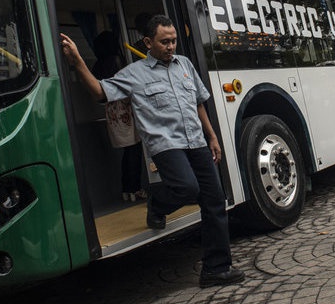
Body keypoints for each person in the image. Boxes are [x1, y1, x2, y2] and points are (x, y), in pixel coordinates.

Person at [60, 15, 244, 287]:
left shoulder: (186, 65)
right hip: (166, 144)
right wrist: (77, 62)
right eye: (164, 41)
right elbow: (100, 91)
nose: (171, 46)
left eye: (174, 41)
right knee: (187, 189)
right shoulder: (135, 74)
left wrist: (212, 136)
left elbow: (198, 103)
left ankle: (216, 268)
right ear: (148, 42)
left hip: (196, 140)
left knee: (215, 200)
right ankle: (157, 203)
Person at [90, 30, 146, 203]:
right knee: (134, 150)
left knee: (127, 152)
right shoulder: (116, 61)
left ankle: (127, 189)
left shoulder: (98, 65)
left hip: (113, 112)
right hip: (126, 109)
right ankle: (135, 189)